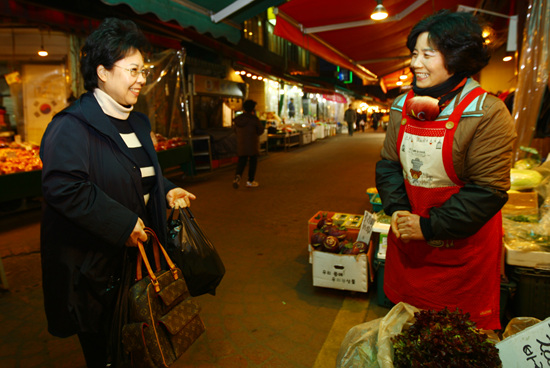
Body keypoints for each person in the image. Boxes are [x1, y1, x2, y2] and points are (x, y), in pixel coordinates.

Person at [39, 18, 196, 367]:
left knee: (139, 344)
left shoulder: (138, 122)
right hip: (95, 271)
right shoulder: (71, 126)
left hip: (139, 263)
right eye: (134, 70)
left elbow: (136, 174)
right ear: (103, 72)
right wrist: (123, 223)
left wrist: (166, 189)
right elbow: (63, 187)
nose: (142, 78)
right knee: (107, 353)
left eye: (145, 70)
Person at [375, 10, 516, 331]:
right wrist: (397, 209)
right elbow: (388, 165)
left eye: (428, 54)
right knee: (409, 330)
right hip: (408, 238)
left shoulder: (487, 112)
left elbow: (487, 191)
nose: (415, 64)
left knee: (456, 335)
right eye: (414, 54)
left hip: (461, 251)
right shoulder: (401, 105)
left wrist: (429, 226)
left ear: (457, 57)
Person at [233, 99, 265, 188]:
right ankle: (250, 181)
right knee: (253, 162)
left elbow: (235, 130)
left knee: (241, 161)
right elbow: (260, 130)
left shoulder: (238, 119)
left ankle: (237, 177)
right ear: (252, 109)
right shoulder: (254, 119)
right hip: (252, 144)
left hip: (241, 144)